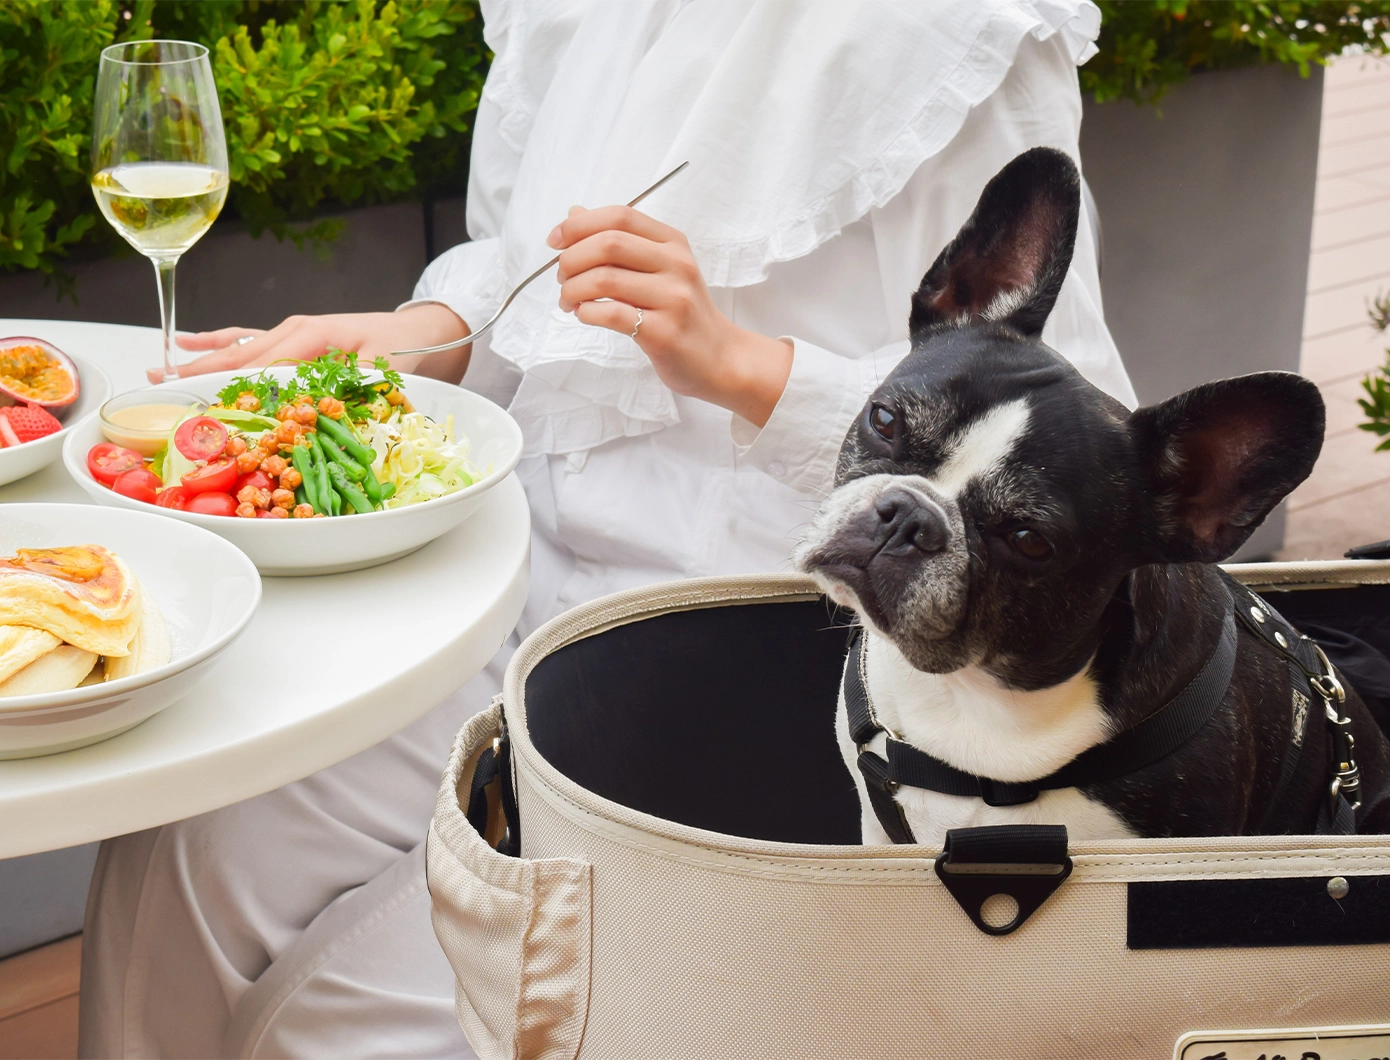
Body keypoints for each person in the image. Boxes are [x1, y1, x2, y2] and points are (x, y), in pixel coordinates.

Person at [80, 1, 1136, 1055]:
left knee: (328, 1024)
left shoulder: (960, 32)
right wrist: (420, 335)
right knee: (195, 845)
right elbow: (519, 262)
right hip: (501, 586)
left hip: (746, 643)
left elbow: (1061, 440)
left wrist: (736, 361)